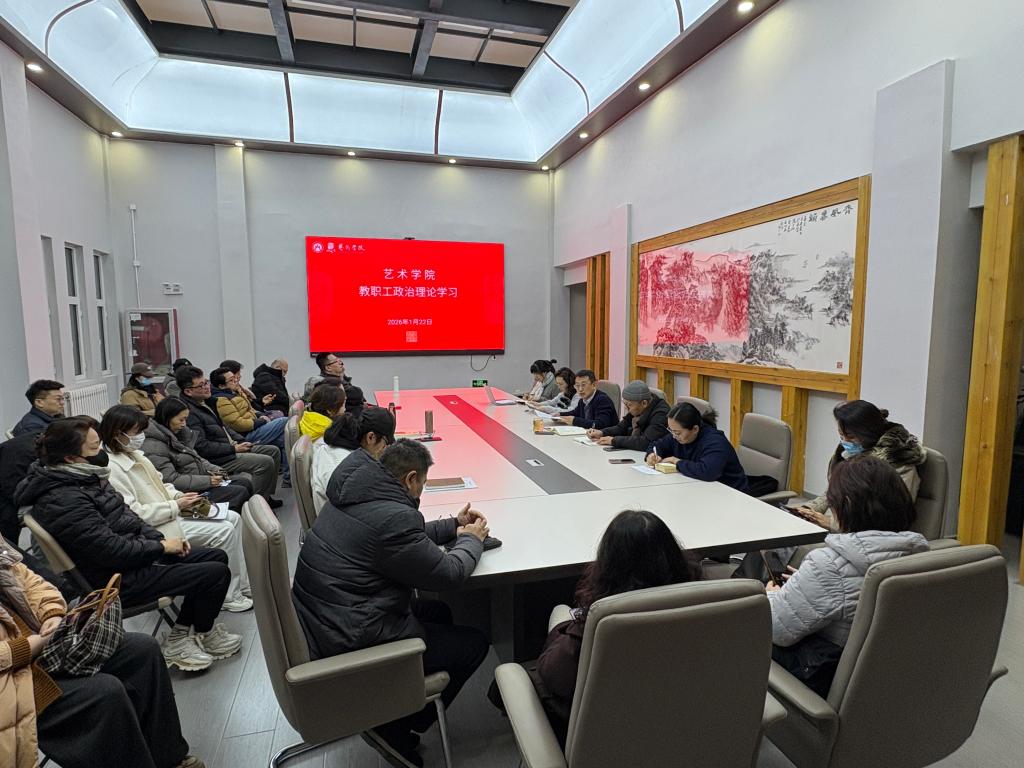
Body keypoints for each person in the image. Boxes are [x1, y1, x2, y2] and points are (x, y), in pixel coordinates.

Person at [292, 440, 489, 767]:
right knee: (474, 643)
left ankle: (402, 706)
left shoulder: (353, 493)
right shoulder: (392, 518)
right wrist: (471, 539)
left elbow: (400, 539)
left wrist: (454, 526)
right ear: (410, 479)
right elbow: (449, 574)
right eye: (422, 484)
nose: (421, 491)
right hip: (354, 637)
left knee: (439, 612)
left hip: (329, 618)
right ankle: (393, 725)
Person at [13, 419, 242, 673]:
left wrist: (158, 540)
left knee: (216, 556)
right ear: (69, 458)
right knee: (214, 573)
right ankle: (186, 637)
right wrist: (161, 548)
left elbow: (129, 517)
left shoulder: (83, 478)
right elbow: (110, 550)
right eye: (94, 448)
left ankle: (189, 631)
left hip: (132, 558)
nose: (101, 453)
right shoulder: (63, 498)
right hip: (114, 579)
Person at [0, 546, 205, 768]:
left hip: (44, 650)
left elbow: (33, 582)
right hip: (12, 684)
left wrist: (52, 614)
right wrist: (29, 646)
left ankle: (170, 758)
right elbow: (108, 546)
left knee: (143, 650)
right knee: (105, 692)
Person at [511, 510, 702, 745]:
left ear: (609, 566)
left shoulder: (602, 623)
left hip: (605, 742)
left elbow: (553, 677)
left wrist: (569, 630)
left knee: (559, 616)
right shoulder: (705, 609)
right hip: (680, 728)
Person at [766, 457, 928, 695]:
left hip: (826, 676)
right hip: (889, 680)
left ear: (847, 505)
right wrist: (807, 584)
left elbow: (776, 629)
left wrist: (771, 595)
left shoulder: (829, 564)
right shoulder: (920, 556)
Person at [100, 406, 252, 613]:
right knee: (223, 531)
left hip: (171, 511)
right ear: (118, 433)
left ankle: (242, 584)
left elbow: (162, 484)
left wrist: (179, 496)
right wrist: (176, 505)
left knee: (233, 517)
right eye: (137, 432)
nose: (141, 436)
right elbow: (134, 513)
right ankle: (228, 595)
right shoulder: (112, 468)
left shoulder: (135, 455)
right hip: (157, 526)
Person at [791, 400, 926, 531]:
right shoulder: (850, 452)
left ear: (868, 433)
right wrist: (809, 509)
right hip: (841, 528)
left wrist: (830, 523)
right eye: (841, 435)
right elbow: (834, 492)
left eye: (850, 436)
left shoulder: (900, 462)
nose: (844, 441)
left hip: (869, 537)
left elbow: (890, 519)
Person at [176, 366, 283, 507]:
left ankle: (265, 497)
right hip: (217, 457)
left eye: (206, 382)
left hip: (231, 446)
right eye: (201, 385)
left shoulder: (207, 402)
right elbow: (202, 447)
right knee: (265, 461)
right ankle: (257, 506)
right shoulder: (188, 413)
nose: (207, 387)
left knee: (273, 451)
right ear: (188, 391)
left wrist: (241, 441)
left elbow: (224, 428)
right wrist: (234, 449)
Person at [144, 398, 254, 510]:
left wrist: (218, 471)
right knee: (239, 492)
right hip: (185, 494)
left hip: (199, 482)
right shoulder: (154, 446)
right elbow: (170, 480)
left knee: (244, 482)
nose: (184, 424)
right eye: (181, 420)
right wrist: (208, 481)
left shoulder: (180, 434)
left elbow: (198, 459)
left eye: (185, 419)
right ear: (167, 418)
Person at [209, 368, 290, 483]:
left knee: (284, 439)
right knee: (284, 420)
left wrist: (261, 415)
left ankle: (288, 477)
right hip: (246, 435)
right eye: (232, 380)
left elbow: (251, 410)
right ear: (221, 385)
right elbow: (238, 424)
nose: (237, 380)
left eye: (236, 377)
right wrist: (261, 421)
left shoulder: (234, 393)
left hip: (255, 427)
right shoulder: (221, 400)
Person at [645, 402, 749, 492]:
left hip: (730, 493)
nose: (673, 436)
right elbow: (656, 445)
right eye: (670, 430)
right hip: (699, 488)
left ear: (695, 429)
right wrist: (652, 455)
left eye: (677, 432)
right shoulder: (677, 435)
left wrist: (676, 461)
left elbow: (707, 471)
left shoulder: (715, 441)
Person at [311, 408, 396, 514]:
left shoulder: (330, 447)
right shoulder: (351, 474)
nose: (385, 449)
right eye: (385, 444)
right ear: (371, 437)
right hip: (340, 519)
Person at [586, 380, 669, 450]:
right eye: (625, 404)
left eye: (629, 405)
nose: (626, 408)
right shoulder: (638, 408)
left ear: (644, 403)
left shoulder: (661, 414)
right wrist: (602, 432)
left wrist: (614, 440)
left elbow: (646, 442)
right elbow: (621, 427)